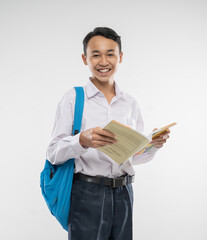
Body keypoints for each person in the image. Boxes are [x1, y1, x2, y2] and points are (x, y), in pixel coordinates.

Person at [46, 27, 170, 240]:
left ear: (120, 57)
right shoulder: (74, 99)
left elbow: (131, 156)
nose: (104, 61)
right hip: (87, 193)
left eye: (110, 53)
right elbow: (53, 153)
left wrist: (152, 145)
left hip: (124, 194)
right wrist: (81, 141)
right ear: (85, 59)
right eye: (96, 54)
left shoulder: (130, 103)